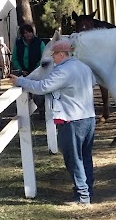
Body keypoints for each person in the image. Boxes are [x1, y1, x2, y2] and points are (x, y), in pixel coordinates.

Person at [9, 40, 97, 205]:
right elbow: (92, 82)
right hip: (88, 117)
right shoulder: (84, 67)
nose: (54, 59)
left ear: (62, 54)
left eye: (54, 55)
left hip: (71, 119)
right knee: (85, 156)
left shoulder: (63, 71)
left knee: (73, 159)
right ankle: (87, 190)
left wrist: (20, 81)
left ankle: (82, 195)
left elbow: (42, 87)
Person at [12, 23, 46, 116]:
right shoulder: (18, 44)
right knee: (22, 90)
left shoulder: (39, 43)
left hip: (37, 71)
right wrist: (20, 69)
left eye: (30, 32)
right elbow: (14, 58)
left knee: (38, 92)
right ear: (23, 34)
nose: (28, 34)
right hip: (23, 71)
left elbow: (43, 57)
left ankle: (41, 108)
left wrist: (35, 69)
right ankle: (22, 110)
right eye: (26, 33)